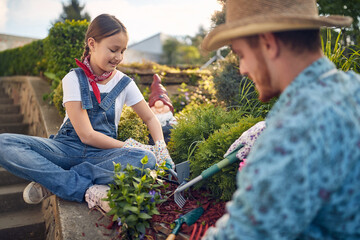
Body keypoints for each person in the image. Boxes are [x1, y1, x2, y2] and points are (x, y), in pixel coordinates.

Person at [201, 0, 360, 239]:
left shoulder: (296, 126)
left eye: (241, 55)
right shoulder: (353, 88)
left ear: (268, 42)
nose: (242, 69)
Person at [0, 14, 174, 212]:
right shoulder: (73, 79)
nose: (118, 57)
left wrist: (161, 148)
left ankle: (57, 181)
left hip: (102, 155)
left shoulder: (125, 83)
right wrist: (129, 144)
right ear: (92, 44)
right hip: (65, 150)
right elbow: (86, 135)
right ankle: (84, 187)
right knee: (4, 144)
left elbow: (150, 118)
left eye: (123, 51)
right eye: (113, 49)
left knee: (146, 159)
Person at [148, 74, 177, 144]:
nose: (160, 110)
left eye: (163, 107)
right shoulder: (148, 121)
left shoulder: (171, 119)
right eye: (156, 108)